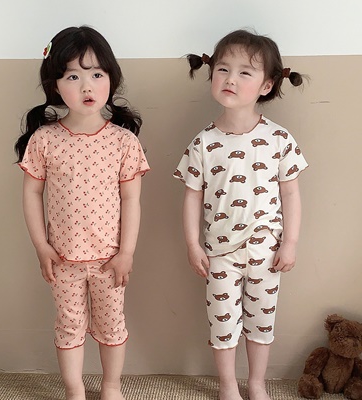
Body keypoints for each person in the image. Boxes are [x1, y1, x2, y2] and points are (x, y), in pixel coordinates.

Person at [15, 26, 150, 400]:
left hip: (110, 260)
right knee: (69, 326)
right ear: (56, 85)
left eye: (96, 74)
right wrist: (41, 246)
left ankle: (111, 387)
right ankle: (74, 391)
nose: (87, 86)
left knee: (112, 325)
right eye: (73, 76)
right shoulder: (44, 139)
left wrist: (126, 252)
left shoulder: (124, 142)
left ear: (111, 79)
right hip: (62, 259)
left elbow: (132, 201)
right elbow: (32, 194)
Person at [173, 30, 308, 400]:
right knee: (222, 324)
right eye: (223, 69)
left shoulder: (279, 139)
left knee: (262, 321)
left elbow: (291, 194)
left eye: (244, 72)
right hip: (219, 251)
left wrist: (290, 242)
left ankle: (257, 383)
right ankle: (228, 384)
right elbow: (191, 197)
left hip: (267, 250)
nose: (230, 79)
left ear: (266, 85)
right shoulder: (203, 142)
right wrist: (192, 244)